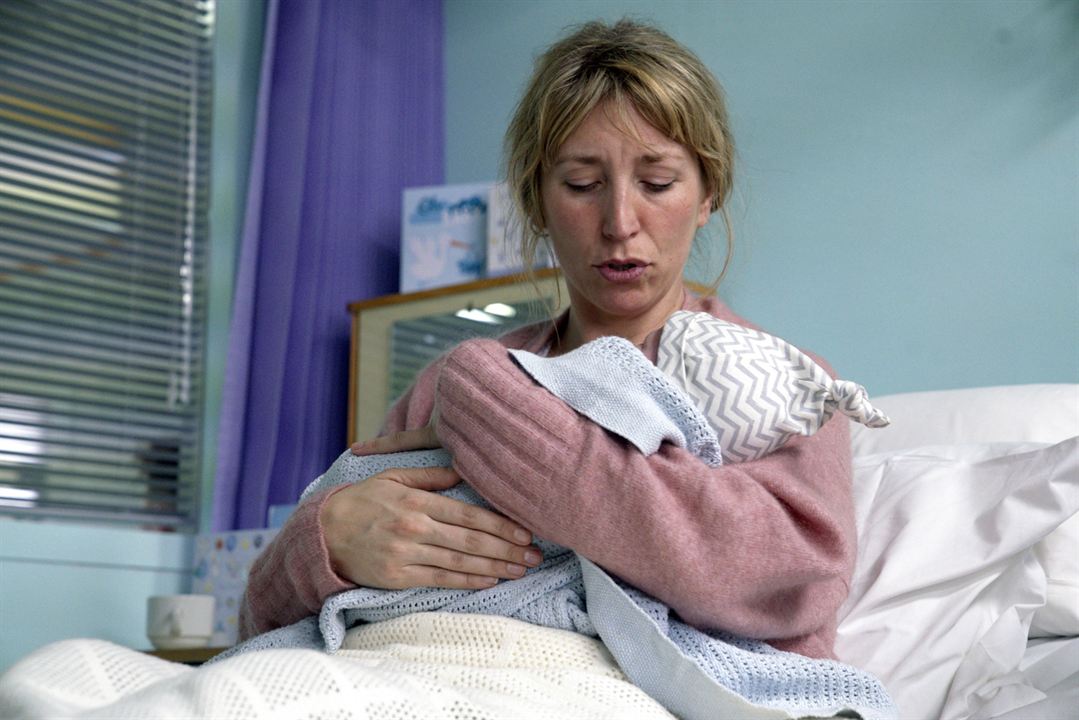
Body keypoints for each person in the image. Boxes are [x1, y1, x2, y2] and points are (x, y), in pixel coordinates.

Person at [240, 18, 855, 662]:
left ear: (708, 195)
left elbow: (794, 585)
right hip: (419, 667)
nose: (620, 222)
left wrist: (500, 420)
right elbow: (258, 623)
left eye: (657, 183)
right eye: (582, 185)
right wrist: (327, 542)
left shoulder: (784, 386)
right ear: (536, 201)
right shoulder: (447, 385)